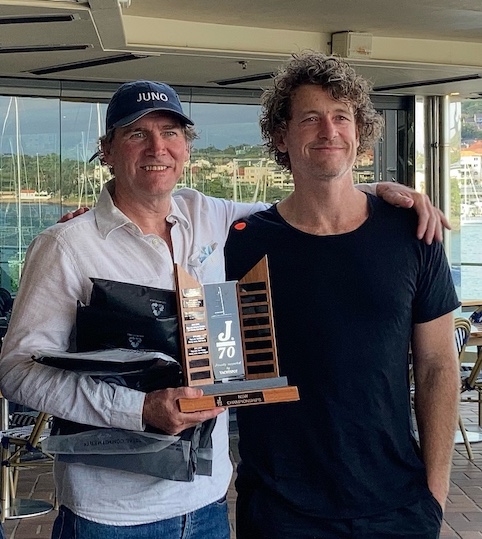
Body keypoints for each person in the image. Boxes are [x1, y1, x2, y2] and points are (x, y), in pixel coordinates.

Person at [0, 78, 449, 539]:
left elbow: (313, 204)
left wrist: (388, 192)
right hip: (109, 514)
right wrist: (138, 409)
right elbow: (15, 371)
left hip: (207, 507)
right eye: (137, 133)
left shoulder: (212, 218)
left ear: (186, 148)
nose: (157, 146)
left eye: (171, 132)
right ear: (108, 151)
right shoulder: (65, 245)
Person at [225, 52, 460, 539]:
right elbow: (227, 367)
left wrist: (435, 493)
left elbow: (438, 365)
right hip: (280, 509)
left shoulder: (413, 233)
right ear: (281, 137)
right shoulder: (243, 241)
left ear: (360, 133)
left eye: (341, 117)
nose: (328, 131)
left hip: (397, 505)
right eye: (310, 118)